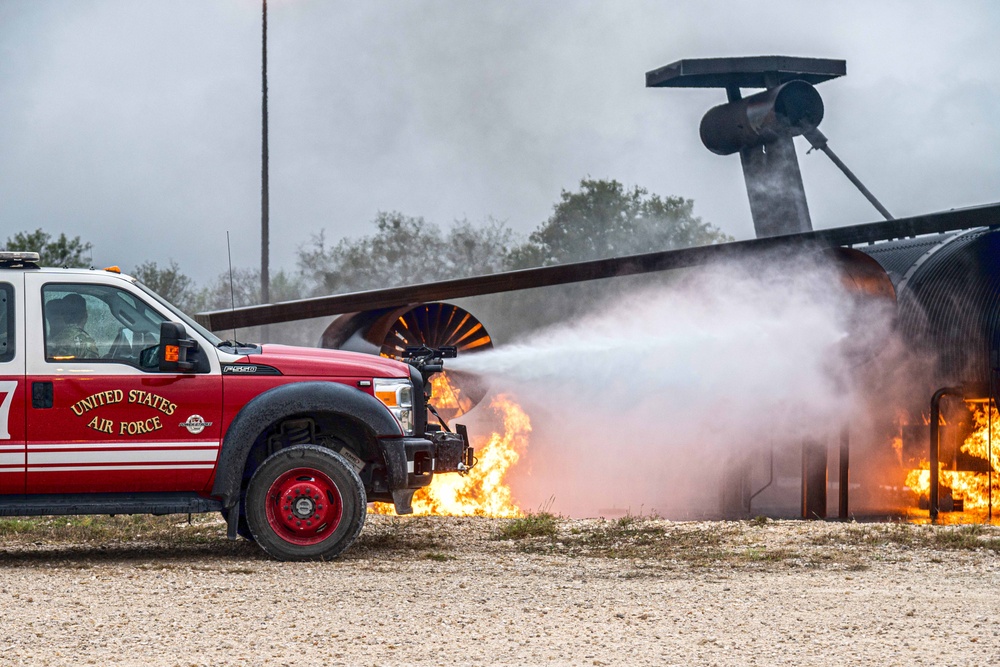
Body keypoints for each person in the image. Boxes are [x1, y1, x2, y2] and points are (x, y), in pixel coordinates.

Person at [48, 293, 99, 359]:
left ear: (63, 316)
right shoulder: (86, 343)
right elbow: (95, 368)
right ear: (86, 315)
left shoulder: (53, 341)